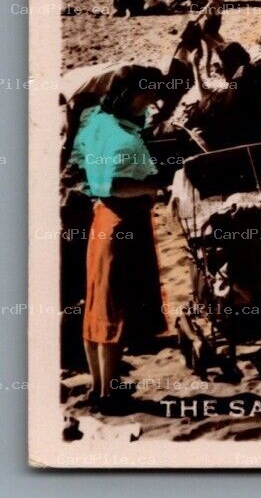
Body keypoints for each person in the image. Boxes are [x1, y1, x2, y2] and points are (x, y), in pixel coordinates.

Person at [67, 68, 167, 410]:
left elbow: (79, 170)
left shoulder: (95, 123)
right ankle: (109, 396)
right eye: (148, 97)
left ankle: (99, 387)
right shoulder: (122, 138)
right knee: (114, 308)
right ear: (132, 96)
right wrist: (154, 187)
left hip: (101, 219)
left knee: (96, 305)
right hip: (124, 223)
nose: (151, 104)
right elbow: (117, 186)